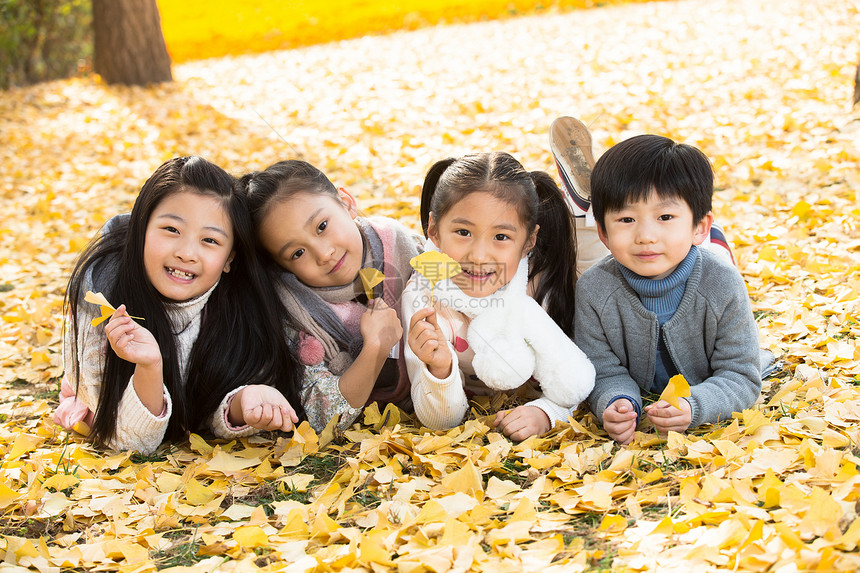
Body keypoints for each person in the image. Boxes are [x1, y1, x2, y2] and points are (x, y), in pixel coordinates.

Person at [55, 156, 306, 454]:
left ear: (229, 259)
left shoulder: (240, 305)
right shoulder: (102, 304)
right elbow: (131, 442)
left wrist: (245, 401)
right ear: (141, 230)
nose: (187, 253)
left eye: (210, 240)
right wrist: (148, 366)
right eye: (172, 230)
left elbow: (207, 406)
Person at [574, 135, 763, 445]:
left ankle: (715, 244)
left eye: (665, 217)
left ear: (699, 225)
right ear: (603, 232)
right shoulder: (595, 289)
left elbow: (741, 376)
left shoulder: (722, 284)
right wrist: (615, 401)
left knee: (718, 270)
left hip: (709, 278)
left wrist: (694, 405)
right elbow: (601, 368)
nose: (646, 236)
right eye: (626, 219)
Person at [403, 152, 595, 441]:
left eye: (500, 237)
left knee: (596, 266)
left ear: (529, 241)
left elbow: (574, 378)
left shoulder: (536, 285)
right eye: (463, 232)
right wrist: (439, 370)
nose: (479, 256)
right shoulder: (424, 299)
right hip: (441, 272)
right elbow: (440, 421)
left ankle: (584, 211)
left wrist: (546, 413)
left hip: (548, 264)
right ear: (434, 229)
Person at [242, 160, 420, 432]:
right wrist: (375, 348)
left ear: (346, 202)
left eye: (322, 226)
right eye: (297, 253)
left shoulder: (402, 246)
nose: (324, 254)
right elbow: (324, 418)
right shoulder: (297, 313)